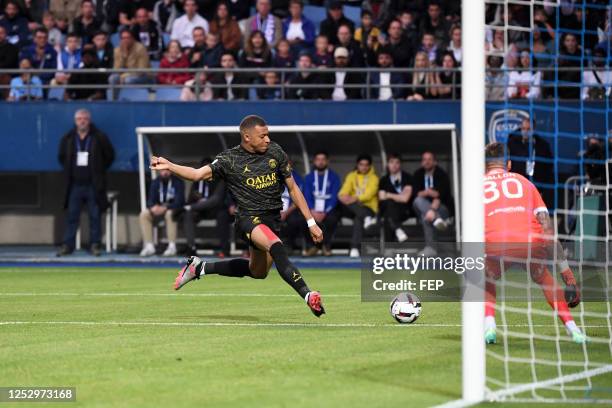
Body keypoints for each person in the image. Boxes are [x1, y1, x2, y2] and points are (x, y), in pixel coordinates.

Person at [151, 115, 326, 317]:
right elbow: (197, 174)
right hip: (248, 219)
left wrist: (311, 222)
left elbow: (293, 188)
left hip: (271, 219)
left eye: (268, 134)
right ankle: (308, 294)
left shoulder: (276, 152)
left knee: (258, 272)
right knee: (277, 246)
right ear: (247, 137)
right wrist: (170, 166)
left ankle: (200, 268)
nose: (268, 139)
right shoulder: (229, 159)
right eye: (263, 136)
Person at [482, 142, 585, 344]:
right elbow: (547, 229)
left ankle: (489, 327)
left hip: (497, 243)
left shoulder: (477, 185)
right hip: (530, 242)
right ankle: (574, 330)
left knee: (485, 278)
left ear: (485, 166)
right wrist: (568, 275)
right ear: (509, 164)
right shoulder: (525, 182)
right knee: (544, 277)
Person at [57, 109, 115, 256]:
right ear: (75, 121)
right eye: (79, 119)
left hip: (93, 185)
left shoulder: (99, 137)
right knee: (72, 216)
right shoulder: (68, 138)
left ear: (89, 120)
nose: (82, 121)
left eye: (84, 118)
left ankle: (95, 245)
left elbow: (109, 156)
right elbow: (62, 157)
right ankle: (67, 246)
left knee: (95, 216)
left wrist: (99, 171)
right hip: (75, 185)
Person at [176, 158, 230, 257]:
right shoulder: (197, 181)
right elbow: (190, 199)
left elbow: (215, 200)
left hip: (216, 209)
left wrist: (192, 206)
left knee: (223, 215)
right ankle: (191, 247)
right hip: (200, 211)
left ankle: (224, 249)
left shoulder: (220, 180)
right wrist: (191, 206)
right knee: (187, 214)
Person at [336, 154, 379, 258]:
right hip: (353, 207)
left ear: (370, 166)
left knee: (358, 218)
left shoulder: (374, 178)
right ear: (357, 165)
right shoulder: (352, 176)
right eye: (361, 164)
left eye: (366, 165)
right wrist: (343, 197)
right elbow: (343, 192)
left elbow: (369, 195)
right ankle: (366, 219)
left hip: (368, 208)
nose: (364, 167)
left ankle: (354, 248)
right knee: (340, 203)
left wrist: (354, 198)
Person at [506, 117, 554, 208]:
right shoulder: (512, 143)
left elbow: (549, 166)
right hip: (517, 185)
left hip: (536, 186)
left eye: (529, 129)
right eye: (523, 129)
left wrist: (542, 187)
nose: (525, 131)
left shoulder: (543, 145)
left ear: (534, 129)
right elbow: (506, 161)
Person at [412, 151, 453, 255]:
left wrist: (432, 210)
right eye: (424, 159)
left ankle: (431, 249)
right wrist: (428, 192)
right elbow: (416, 194)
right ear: (422, 162)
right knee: (418, 201)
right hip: (422, 206)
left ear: (435, 162)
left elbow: (441, 195)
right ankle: (437, 219)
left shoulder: (442, 174)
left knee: (426, 216)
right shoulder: (418, 174)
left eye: (429, 159)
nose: (427, 162)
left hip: (440, 207)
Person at [301, 151, 341, 256]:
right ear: (314, 162)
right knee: (304, 218)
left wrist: (325, 211)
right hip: (312, 209)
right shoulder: (309, 177)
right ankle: (313, 246)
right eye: (318, 159)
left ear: (327, 161)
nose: (321, 162)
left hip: (328, 210)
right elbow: (306, 195)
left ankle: (325, 246)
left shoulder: (334, 177)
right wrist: (312, 210)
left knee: (333, 219)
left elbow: (334, 196)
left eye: (323, 159)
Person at [139, 168, 185, 257]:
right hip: (158, 212)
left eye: (167, 170)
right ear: (159, 171)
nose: (165, 173)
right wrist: (153, 207)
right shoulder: (155, 182)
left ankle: (172, 246)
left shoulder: (178, 182)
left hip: (174, 211)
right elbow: (150, 200)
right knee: (144, 214)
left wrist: (166, 208)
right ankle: (149, 246)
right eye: (163, 170)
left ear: (171, 171)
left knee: (169, 213)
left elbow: (180, 202)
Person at [378, 154, 413, 243]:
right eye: (391, 162)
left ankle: (389, 249)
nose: (394, 165)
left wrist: (389, 194)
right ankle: (397, 229)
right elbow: (382, 197)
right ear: (387, 165)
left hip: (403, 211)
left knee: (388, 213)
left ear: (400, 164)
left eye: (397, 162)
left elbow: (405, 199)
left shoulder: (407, 178)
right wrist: (398, 196)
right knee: (388, 207)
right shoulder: (383, 180)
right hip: (387, 209)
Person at [108, 28, 152, 99]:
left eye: (128, 38)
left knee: (128, 80)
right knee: (112, 78)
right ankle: (114, 100)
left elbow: (141, 70)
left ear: (132, 39)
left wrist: (124, 76)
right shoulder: (117, 50)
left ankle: (132, 100)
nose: (125, 40)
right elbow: (116, 69)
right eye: (123, 38)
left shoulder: (140, 48)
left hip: (144, 76)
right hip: (126, 75)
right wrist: (123, 56)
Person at [0, 25, 19, 99]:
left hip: (6, 74)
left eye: (1, 33)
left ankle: (7, 101)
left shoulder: (12, 48)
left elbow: (9, 63)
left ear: (5, 35)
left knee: (5, 78)